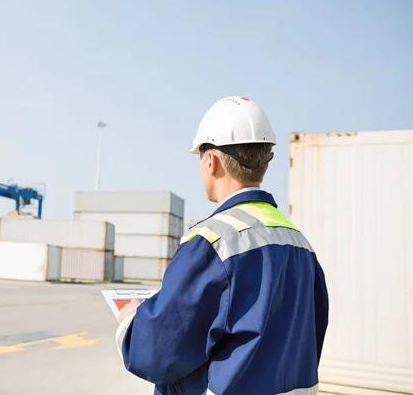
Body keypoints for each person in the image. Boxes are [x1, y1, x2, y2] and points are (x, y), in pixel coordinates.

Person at [115, 96, 329, 395]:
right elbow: (311, 338)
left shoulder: (211, 242)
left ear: (211, 161)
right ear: (265, 161)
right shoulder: (299, 243)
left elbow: (157, 354)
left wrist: (131, 324)